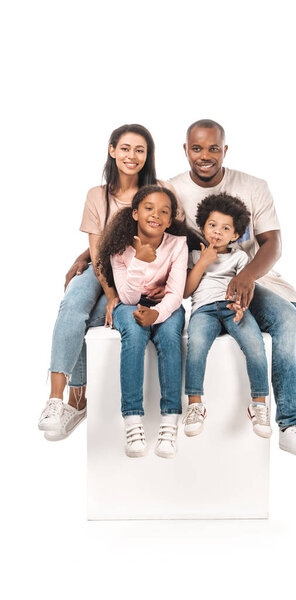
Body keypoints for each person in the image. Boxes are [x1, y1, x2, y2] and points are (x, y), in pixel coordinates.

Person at [169, 119, 296, 500]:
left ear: (225, 150)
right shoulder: (174, 190)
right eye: (196, 148)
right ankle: (290, 422)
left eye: (213, 149)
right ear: (186, 149)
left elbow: (273, 243)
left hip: (261, 280)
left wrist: (248, 278)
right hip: (208, 289)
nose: (205, 156)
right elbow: (146, 226)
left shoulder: (253, 186)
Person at [183, 192, 296, 463]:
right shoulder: (195, 255)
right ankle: (195, 405)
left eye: (226, 228)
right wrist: (203, 263)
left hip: (233, 308)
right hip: (204, 310)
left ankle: (260, 406)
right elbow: (186, 290)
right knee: (196, 345)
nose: (217, 232)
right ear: (203, 226)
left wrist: (242, 307)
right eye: (212, 225)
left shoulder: (241, 258)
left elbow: (248, 287)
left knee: (254, 344)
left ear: (236, 235)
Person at [38, 124, 161, 441]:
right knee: (73, 302)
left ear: (147, 157)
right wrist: (111, 295)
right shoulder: (97, 196)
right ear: (112, 150)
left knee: (85, 320)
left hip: (139, 269)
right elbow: (98, 251)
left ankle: (79, 400)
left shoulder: (158, 191)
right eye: (125, 148)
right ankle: (56, 399)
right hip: (103, 267)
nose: (131, 156)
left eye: (139, 150)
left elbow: (167, 238)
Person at [97, 185, 188, 458]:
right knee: (135, 337)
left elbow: (175, 293)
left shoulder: (177, 245)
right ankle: (133, 421)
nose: (156, 215)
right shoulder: (119, 248)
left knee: (170, 338)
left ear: (170, 220)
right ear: (135, 213)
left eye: (164, 211)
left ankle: (169, 422)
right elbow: (126, 296)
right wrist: (139, 260)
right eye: (149, 208)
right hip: (130, 304)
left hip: (165, 306)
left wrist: (157, 314)